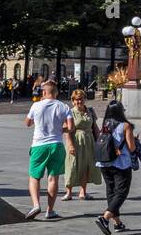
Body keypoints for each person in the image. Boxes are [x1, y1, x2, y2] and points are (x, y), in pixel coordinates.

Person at [25, 80, 76, 220]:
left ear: (44, 92)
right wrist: (59, 128)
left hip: (39, 145)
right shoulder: (64, 107)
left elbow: (27, 123)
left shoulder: (36, 105)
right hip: (57, 145)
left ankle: (36, 205)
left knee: (34, 177)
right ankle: (50, 210)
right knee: (53, 178)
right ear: (56, 92)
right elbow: (71, 128)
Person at [95, 101, 137, 235]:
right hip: (121, 164)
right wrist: (134, 139)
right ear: (121, 111)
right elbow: (131, 148)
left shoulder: (105, 123)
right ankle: (105, 218)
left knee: (111, 191)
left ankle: (117, 223)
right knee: (122, 192)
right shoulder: (126, 126)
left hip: (104, 162)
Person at [63, 89, 100, 200]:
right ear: (73, 101)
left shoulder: (90, 111)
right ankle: (68, 192)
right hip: (76, 140)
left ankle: (83, 192)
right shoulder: (70, 112)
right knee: (72, 165)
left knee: (87, 165)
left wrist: (99, 141)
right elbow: (67, 130)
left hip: (89, 141)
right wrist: (70, 145)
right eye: (77, 99)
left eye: (82, 99)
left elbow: (95, 127)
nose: (80, 101)